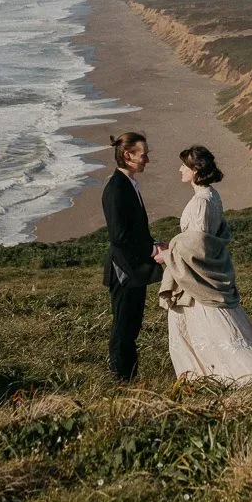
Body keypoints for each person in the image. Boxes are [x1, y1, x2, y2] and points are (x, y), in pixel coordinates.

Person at [156, 145, 252, 385]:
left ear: (196, 170)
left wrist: (168, 253)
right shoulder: (212, 196)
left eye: (185, 165)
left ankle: (241, 377)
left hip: (198, 279)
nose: (180, 169)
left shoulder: (200, 202)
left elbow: (198, 244)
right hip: (207, 272)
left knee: (212, 327)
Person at [101, 131, 163, 382]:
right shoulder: (117, 188)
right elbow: (119, 236)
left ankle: (129, 377)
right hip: (124, 269)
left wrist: (154, 243)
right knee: (124, 327)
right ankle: (121, 379)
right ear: (127, 155)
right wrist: (152, 251)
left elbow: (134, 230)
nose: (147, 159)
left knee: (132, 324)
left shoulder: (128, 184)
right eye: (143, 155)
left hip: (132, 268)